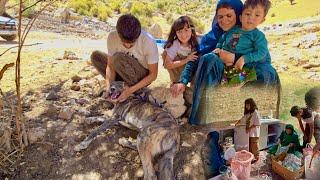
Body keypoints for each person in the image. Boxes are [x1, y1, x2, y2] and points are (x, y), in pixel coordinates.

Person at [172, 0, 280, 125]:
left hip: (243, 75)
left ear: (238, 15)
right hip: (216, 79)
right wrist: (183, 81)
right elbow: (195, 58)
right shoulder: (214, 37)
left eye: (229, 16)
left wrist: (236, 58)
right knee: (209, 58)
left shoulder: (253, 35)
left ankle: (257, 123)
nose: (224, 20)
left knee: (267, 72)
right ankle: (204, 118)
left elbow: (263, 58)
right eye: (220, 17)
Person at [90, 14, 159, 102]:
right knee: (96, 56)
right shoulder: (112, 37)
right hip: (121, 70)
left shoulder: (148, 41)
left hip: (140, 76)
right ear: (118, 33)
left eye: (132, 43)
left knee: (118, 58)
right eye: (124, 42)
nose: (127, 46)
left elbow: (153, 75)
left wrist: (129, 91)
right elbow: (110, 66)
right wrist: (108, 87)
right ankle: (119, 87)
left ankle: (135, 90)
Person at [163, 16, 199, 84]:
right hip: (179, 72)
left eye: (186, 30)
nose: (183, 35)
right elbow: (167, 64)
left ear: (192, 30)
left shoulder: (197, 42)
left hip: (193, 72)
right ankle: (176, 82)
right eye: (179, 31)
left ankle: (194, 84)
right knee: (165, 54)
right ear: (175, 33)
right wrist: (187, 59)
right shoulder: (175, 44)